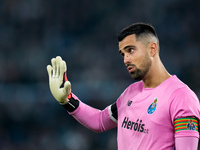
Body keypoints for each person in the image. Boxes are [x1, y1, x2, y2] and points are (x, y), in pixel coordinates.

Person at [47, 22, 200, 150]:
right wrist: (67, 100)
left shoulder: (181, 97)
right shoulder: (130, 92)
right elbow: (99, 121)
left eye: (131, 50)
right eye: (123, 54)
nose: (126, 59)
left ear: (152, 49)